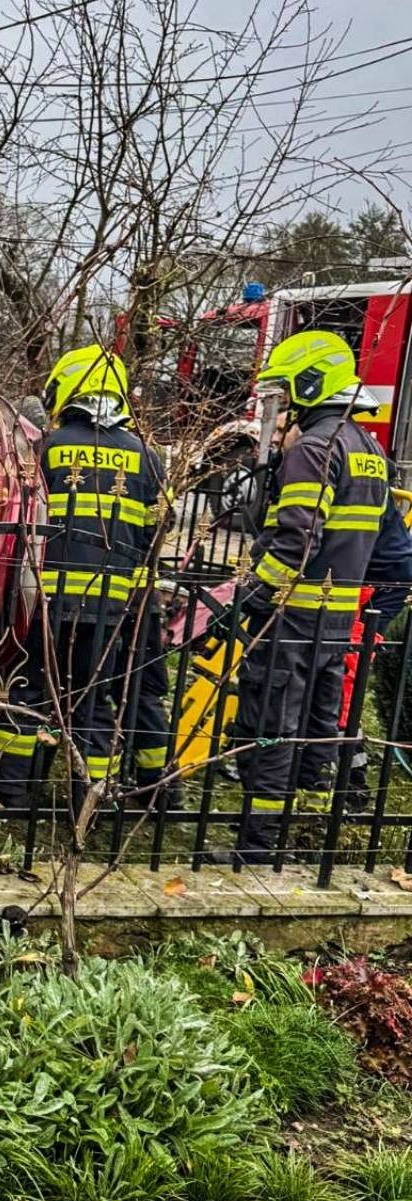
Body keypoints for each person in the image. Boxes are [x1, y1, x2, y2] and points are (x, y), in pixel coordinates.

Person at [223, 329, 390, 862]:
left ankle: (258, 847)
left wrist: (255, 593)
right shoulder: (369, 449)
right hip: (336, 618)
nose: (285, 403)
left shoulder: (316, 447)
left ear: (311, 383)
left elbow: (297, 538)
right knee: (318, 728)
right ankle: (308, 836)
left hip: (292, 614)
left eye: (288, 389)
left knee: (271, 727)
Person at [0, 345, 170, 810]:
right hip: (111, 607)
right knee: (92, 703)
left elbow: (19, 521)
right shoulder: (146, 457)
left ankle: (11, 796)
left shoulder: (47, 449)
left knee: (27, 696)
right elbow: (156, 532)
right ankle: (91, 802)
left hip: (45, 604)